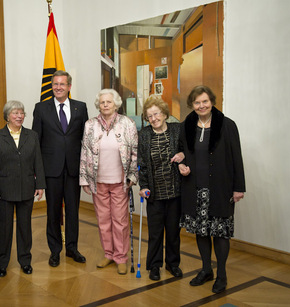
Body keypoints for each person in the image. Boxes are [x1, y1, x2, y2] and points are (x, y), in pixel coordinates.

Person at [179, 85, 245, 294]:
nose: (201, 105)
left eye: (205, 101)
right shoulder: (186, 125)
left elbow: (237, 158)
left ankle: (222, 275)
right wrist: (180, 164)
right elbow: (180, 151)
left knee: (220, 233)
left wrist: (238, 187)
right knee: (201, 231)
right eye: (197, 102)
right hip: (194, 188)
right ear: (192, 104)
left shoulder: (227, 125)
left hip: (220, 189)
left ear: (212, 101)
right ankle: (206, 269)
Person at [32, 70, 89, 267]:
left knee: (73, 211)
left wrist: (86, 169)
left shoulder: (80, 108)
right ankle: (55, 251)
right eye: (55, 84)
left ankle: (72, 248)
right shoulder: (41, 108)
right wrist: (37, 173)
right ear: (51, 86)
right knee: (53, 212)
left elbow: (86, 140)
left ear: (69, 87)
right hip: (51, 170)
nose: (58, 87)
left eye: (62, 84)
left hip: (73, 169)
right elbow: (36, 142)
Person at [80, 89, 138, 275]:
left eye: (109, 102)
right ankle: (108, 254)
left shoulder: (127, 123)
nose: (105, 105)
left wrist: (132, 176)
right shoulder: (90, 125)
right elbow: (84, 152)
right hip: (98, 181)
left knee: (120, 221)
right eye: (102, 102)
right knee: (103, 220)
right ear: (99, 104)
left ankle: (121, 257)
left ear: (116, 104)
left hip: (120, 181)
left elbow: (135, 152)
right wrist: (84, 179)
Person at [0, 100, 46, 277]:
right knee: (4, 229)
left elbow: (38, 161)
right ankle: (2, 263)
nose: (19, 116)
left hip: (26, 188)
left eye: (22, 113)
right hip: (4, 190)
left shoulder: (32, 135)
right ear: (7, 116)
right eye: (15, 113)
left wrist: (40, 185)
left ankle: (25, 261)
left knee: (25, 227)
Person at [138, 95, 184, 281]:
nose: (154, 118)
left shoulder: (177, 130)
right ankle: (154, 266)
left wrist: (182, 155)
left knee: (173, 233)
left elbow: (186, 151)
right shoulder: (144, 135)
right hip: (154, 193)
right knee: (155, 233)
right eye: (149, 116)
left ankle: (173, 264)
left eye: (156, 114)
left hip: (175, 191)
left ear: (164, 114)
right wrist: (143, 186)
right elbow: (141, 163)